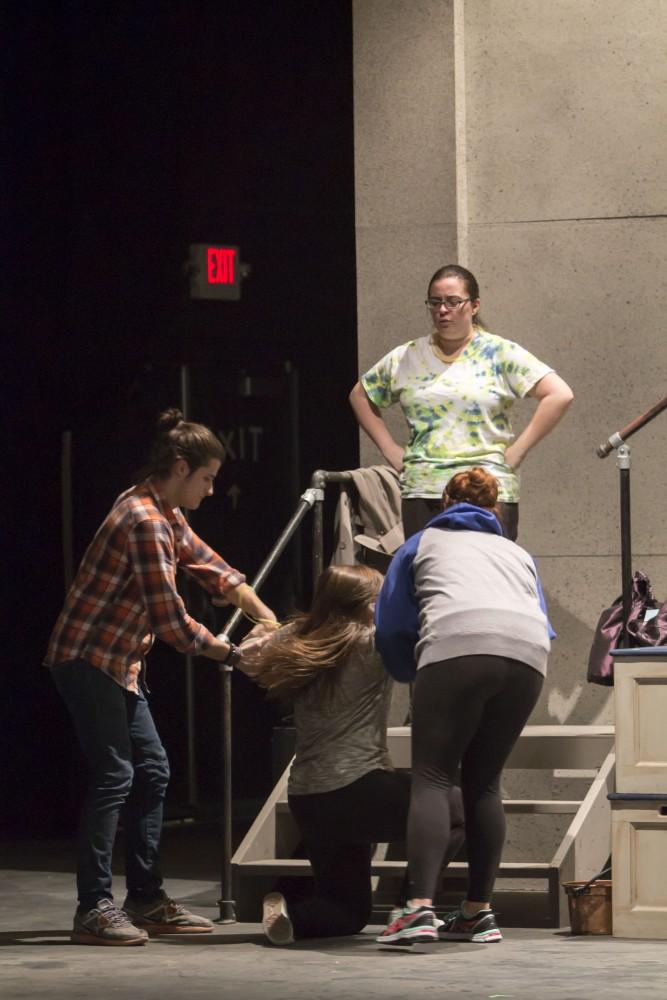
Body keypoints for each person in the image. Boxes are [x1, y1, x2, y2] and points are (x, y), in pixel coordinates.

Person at [45, 408, 277, 946]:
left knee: (152, 771)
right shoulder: (145, 520)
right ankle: (93, 907)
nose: (212, 490)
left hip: (121, 662)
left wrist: (267, 618)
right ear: (179, 467)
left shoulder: (164, 508)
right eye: (207, 478)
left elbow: (215, 570)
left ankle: (146, 897)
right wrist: (233, 655)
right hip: (88, 658)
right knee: (116, 776)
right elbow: (170, 620)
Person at [238, 564, 465, 945]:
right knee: (457, 808)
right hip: (357, 787)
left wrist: (265, 631)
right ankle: (413, 907)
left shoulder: (297, 638)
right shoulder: (371, 644)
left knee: (347, 911)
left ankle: (291, 914)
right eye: (379, 600)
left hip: (309, 798)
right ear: (363, 604)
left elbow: (245, 656)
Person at [373, 467, 554, 945]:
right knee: (485, 783)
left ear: (445, 503)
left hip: (458, 646)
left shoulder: (422, 542)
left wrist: (412, 673)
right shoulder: (518, 553)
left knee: (432, 777)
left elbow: (390, 625)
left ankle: (418, 909)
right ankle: (478, 912)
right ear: (495, 509)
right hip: (528, 658)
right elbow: (542, 622)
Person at [349, 263, 573, 540]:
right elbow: (361, 394)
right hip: (425, 486)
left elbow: (559, 394)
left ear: (474, 305)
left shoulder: (499, 353)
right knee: (429, 575)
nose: (443, 310)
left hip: (486, 489)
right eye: (435, 302)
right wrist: (389, 448)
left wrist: (518, 451)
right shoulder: (408, 356)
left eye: (453, 302)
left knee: (486, 576)